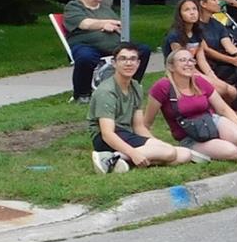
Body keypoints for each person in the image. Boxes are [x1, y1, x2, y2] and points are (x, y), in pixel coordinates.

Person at [89, 44, 215, 173]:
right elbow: (107, 134)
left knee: (183, 155)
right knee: (170, 152)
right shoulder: (106, 91)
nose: (128, 63)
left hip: (127, 134)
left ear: (138, 63)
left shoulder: (135, 86)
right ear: (114, 63)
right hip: (106, 139)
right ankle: (111, 158)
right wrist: (134, 153)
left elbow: (138, 126)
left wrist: (158, 144)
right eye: (123, 59)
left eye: (133, 59)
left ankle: (119, 161)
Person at [148, 48, 237, 162]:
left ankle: (228, 140)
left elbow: (223, 108)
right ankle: (207, 147)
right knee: (234, 152)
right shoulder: (162, 87)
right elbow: (147, 122)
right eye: (183, 60)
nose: (188, 64)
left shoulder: (199, 81)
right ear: (171, 67)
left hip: (211, 121)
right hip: (189, 135)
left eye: (191, 60)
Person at [62, 0, 123, 101]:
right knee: (85, 58)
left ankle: (125, 87)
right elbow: (85, 24)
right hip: (86, 45)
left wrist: (109, 25)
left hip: (113, 46)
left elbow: (119, 26)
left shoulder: (105, 8)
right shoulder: (73, 7)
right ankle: (82, 95)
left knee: (142, 50)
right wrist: (105, 24)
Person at [162, 0, 211, 68]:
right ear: (180, 15)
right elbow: (183, 62)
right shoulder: (175, 35)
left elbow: (201, 60)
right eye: (187, 10)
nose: (192, 13)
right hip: (179, 71)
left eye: (194, 9)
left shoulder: (198, 32)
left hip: (194, 67)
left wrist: (211, 75)